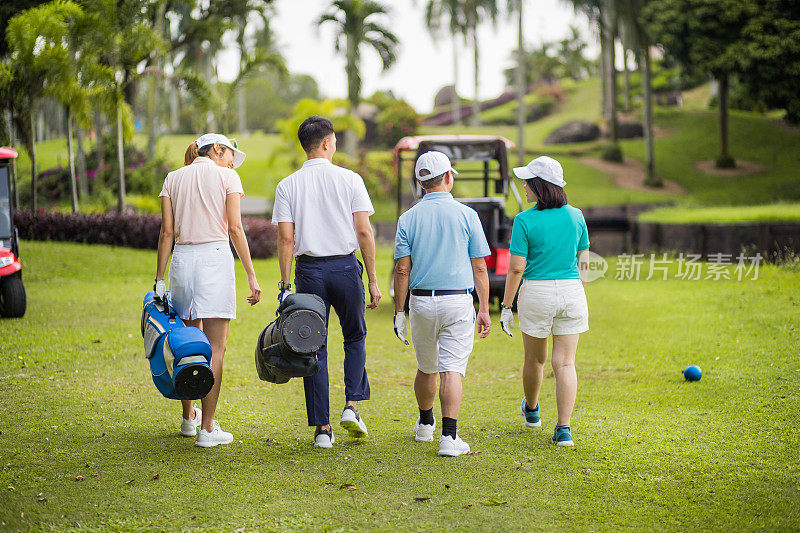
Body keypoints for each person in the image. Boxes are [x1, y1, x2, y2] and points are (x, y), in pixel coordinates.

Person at [271, 115, 381, 449]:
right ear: (327, 143)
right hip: (346, 268)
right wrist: (373, 279)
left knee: (312, 345)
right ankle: (352, 405)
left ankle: (322, 429)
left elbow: (286, 240)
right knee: (355, 336)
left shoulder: (287, 185)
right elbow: (363, 230)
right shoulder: (350, 179)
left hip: (308, 271)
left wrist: (285, 284)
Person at [155, 133, 261, 448]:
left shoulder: (173, 177)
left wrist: (159, 278)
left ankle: (189, 419)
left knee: (188, 343)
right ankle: (207, 427)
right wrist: (252, 276)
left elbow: (167, 232)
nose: (231, 161)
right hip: (214, 259)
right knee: (215, 347)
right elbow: (235, 228)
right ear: (216, 149)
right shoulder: (228, 176)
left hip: (183, 263)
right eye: (230, 154)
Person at [393, 151, 492, 457]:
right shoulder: (467, 215)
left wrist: (399, 311)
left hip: (421, 303)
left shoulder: (407, 218)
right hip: (457, 301)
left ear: (420, 183)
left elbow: (401, 269)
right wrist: (486, 308)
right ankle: (449, 438)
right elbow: (479, 267)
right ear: (448, 178)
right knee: (452, 370)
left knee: (426, 367)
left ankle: (425, 424)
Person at [499, 156, 589, 447]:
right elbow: (584, 260)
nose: (523, 186)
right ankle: (564, 429)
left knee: (534, 359)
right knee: (565, 363)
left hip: (537, 293)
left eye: (528, 181)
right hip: (572, 291)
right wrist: (577, 289)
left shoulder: (524, 220)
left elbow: (515, 268)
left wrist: (506, 306)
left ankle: (533, 411)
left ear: (540, 186)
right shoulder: (576, 216)